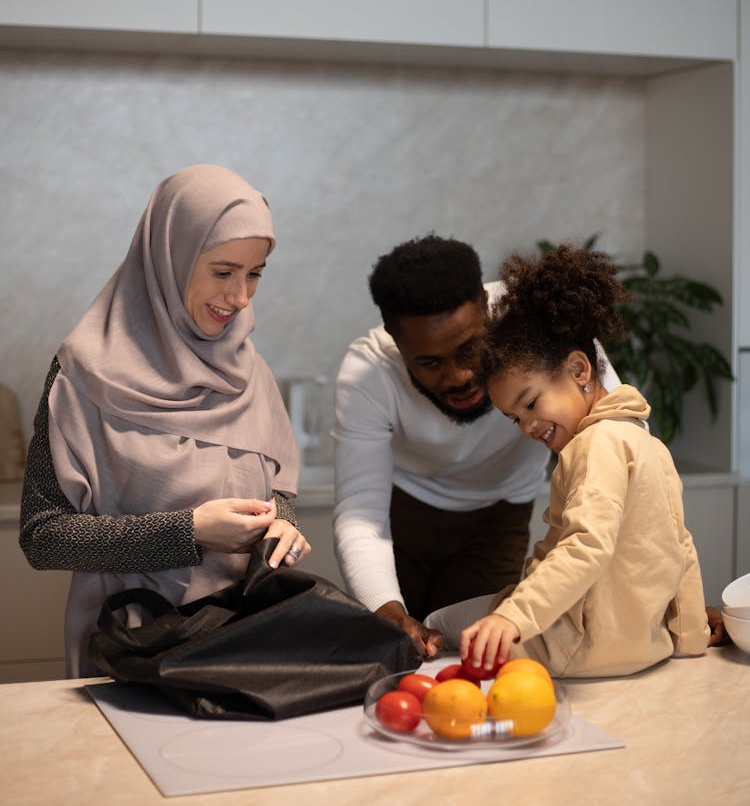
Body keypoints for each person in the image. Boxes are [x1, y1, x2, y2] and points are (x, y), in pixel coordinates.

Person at [20, 164, 310, 678]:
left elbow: (275, 493)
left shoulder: (251, 372)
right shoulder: (83, 374)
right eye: (223, 272)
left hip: (243, 643)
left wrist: (281, 525)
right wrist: (188, 531)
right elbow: (43, 537)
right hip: (130, 648)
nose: (240, 297)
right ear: (168, 259)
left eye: (255, 273)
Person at [425, 244, 712, 677]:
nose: (526, 427)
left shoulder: (595, 444)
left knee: (439, 623)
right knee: (495, 606)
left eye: (531, 402)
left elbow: (585, 544)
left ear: (579, 370)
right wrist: (689, 638)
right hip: (644, 645)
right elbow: (680, 544)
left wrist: (513, 617)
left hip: (579, 649)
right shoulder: (646, 442)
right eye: (513, 418)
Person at [332, 234, 621, 659]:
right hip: (403, 517)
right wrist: (384, 607)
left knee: (476, 656)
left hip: (498, 517)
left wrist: (668, 601)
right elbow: (361, 514)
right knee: (398, 653)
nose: (460, 375)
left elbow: (624, 440)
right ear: (395, 339)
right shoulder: (367, 371)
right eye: (430, 362)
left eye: (471, 347)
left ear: (486, 307)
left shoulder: (538, 322)